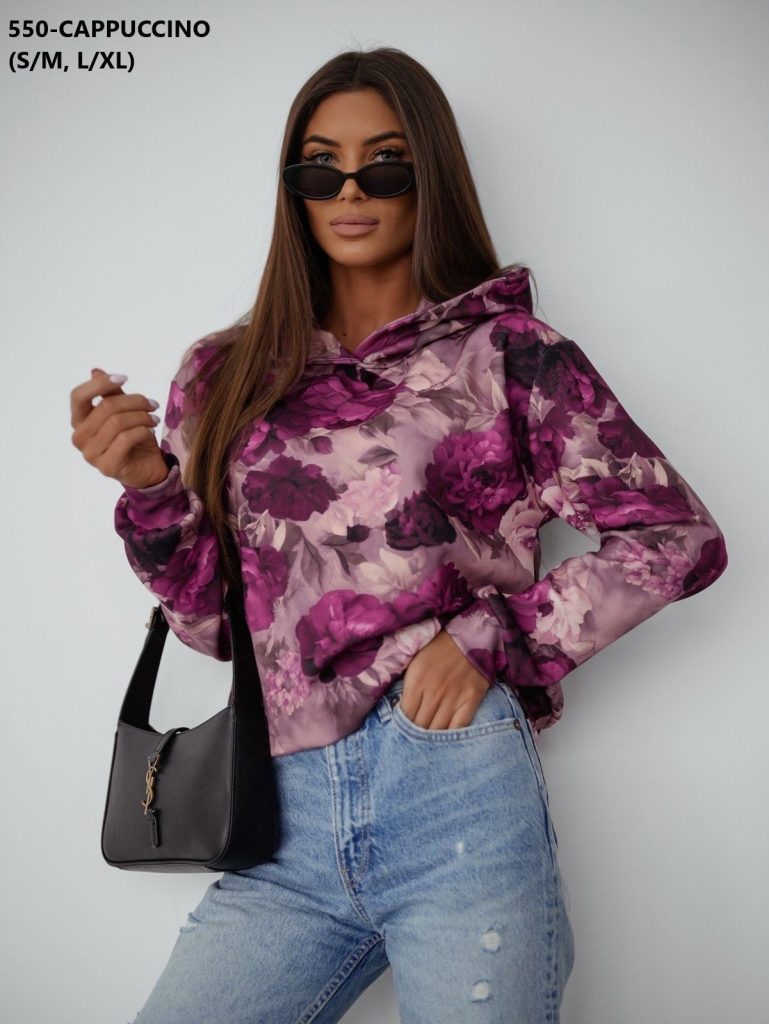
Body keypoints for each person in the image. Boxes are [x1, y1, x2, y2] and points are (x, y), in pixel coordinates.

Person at [70, 46, 727, 1024]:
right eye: (318, 167)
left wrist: (489, 639)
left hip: (454, 786)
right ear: (291, 187)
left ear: (430, 179)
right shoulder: (222, 373)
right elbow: (214, 629)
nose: (349, 190)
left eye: (383, 165)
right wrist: (149, 487)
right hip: (280, 807)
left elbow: (675, 535)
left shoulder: (506, 354)